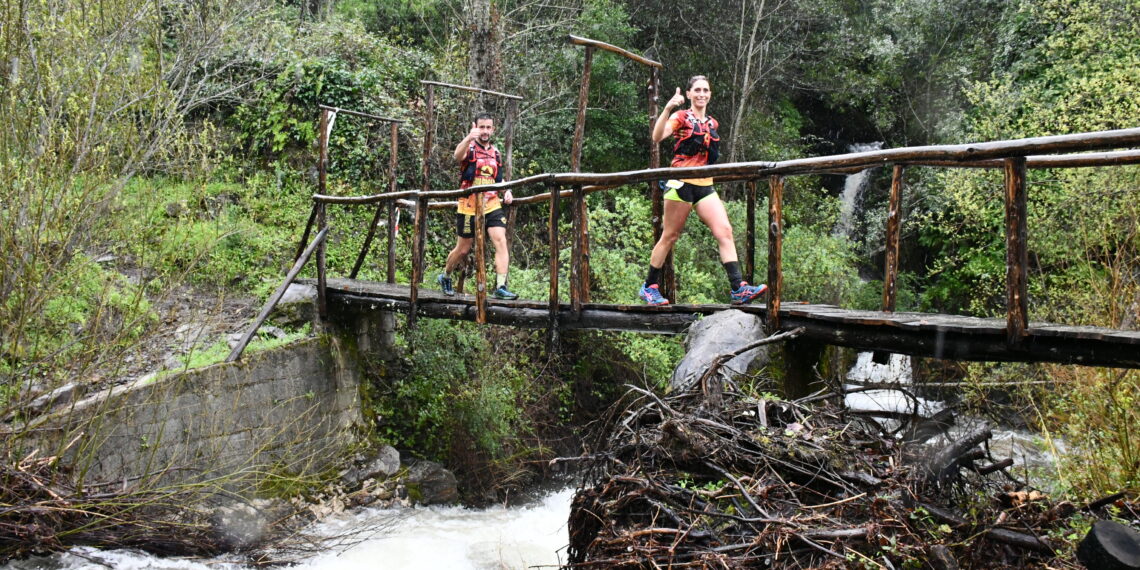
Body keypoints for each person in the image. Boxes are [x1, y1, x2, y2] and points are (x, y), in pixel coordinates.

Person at [639, 75, 767, 306]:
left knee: (725, 231)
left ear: (710, 94)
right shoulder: (681, 117)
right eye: (697, 90)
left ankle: (738, 288)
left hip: (705, 185)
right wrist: (668, 107)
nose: (701, 94)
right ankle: (649, 286)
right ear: (688, 94)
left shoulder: (713, 123)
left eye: (705, 90)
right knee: (670, 235)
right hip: (681, 183)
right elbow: (657, 136)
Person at [436, 112, 519, 300]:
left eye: (488, 127)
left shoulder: (495, 152)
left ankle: (500, 286)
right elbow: (457, 156)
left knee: (500, 240)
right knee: (463, 248)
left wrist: (506, 189)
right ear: (475, 127)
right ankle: (446, 275)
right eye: (482, 127)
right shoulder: (470, 147)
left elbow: (497, 178)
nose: (485, 131)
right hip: (469, 204)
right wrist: (468, 137)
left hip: (491, 202)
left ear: (493, 129)